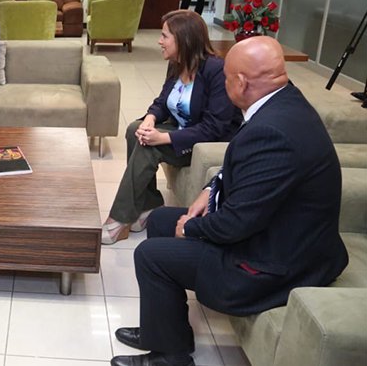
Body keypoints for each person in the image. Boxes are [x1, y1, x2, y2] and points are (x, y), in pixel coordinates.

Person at [109, 36, 349, 366]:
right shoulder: (283, 103)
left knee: (151, 256)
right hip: (277, 233)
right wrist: (210, 190)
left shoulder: (274, 132)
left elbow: (237, 223)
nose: (222, 84)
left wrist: (191, 229)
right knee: (162, 219)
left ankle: (170, 357)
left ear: (241, 83)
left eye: (225, 79)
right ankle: (164, 331)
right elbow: (249, 171)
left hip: (277, 263)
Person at [103, 10, 240, 244]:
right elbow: (162, 102)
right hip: (184, 129)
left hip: (204, 140)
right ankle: (149, 205)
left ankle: (119, 219)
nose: (159, 41)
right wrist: (150, 119)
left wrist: (163, 138)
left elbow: (214, 127)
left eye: (165, 36)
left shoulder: (216, 71)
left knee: (149, 147)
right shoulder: (177, 64)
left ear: (184, 39)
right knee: (134, 130)